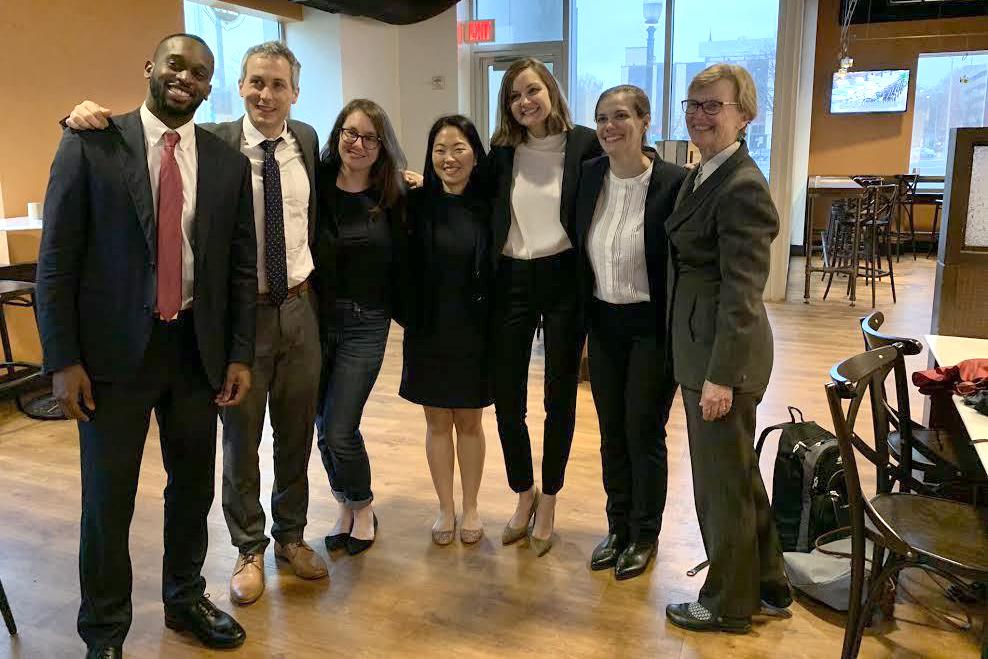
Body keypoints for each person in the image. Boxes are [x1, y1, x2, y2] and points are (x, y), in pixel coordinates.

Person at [64, 40, 329, 607]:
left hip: (233, 332)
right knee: (120, 494)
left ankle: (201, 591)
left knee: (211, 479)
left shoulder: (286, 145)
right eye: (256, 81)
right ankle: (113, 625)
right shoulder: (112, 143)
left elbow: (254, 250)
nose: (266, 93)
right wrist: (63, 359)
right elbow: (58, 262)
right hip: (144, 347)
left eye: (279, 84)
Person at [37, 34, 257, 657]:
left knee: (193, 488)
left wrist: (238, 353)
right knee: (108, 499)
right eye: (176, 65)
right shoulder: (92, 143)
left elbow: (240, 268)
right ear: (151, 69)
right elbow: (56, 263)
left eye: (201, 72)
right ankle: (104, 632)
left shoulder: (226, 163)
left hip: (196, 351)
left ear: (211, 85)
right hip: (109, 360)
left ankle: (184, 599)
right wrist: (63, 360)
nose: (187, 77)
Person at [662, 63, 790, 633]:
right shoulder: (703, 172)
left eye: (714, 105)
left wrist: (722, 375)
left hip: (723, 360)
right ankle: (766, 583)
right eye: (693, 103)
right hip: (702, 348)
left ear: (745, 114)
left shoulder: (740, 186)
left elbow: (743, 294)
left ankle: (726, 604)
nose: (699, 114)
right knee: (735, 475)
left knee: (719, 487)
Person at [489, 58, 602, 556]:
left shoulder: (584, 144)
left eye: (531, 90)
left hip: (563, 278)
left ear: (550, 90)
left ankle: (551, 495)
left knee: (560, 394)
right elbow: (463, 187)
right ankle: (522, 491)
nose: (524, 102)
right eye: (514, 96)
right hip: (512, 278)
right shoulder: (502, 151)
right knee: (507, 395)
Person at [573, 85, 686, 580]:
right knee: (611, 432)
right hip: (603, 323)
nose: (609, 126)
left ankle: (645, 534)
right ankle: (617, 526)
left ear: (644, 122)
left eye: (620, 116)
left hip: (650, 327)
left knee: (643, 431)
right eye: (601, 118)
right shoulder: (589, 176)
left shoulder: (673, 183)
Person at [312, 99, 409, 556]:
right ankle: (345, 505)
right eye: (351, 133)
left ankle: (364, 506)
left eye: (370, 137)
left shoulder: (394, 196)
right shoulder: (314, 185)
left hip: (366, 323)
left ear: (382, 146)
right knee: (320, 424)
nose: (358, 143)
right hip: (314, 320)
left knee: (339, 427)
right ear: (337, 135)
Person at [400, 115, 493, 546]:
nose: (448, 157)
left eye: (458, 148)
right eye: (440, 149)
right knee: (437, 421)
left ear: (475, 153)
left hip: (475, 330)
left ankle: (471, 506)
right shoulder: (416, 204)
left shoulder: (491, 203)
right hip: (428, 329)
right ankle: (445, 508)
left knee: (470, 422)